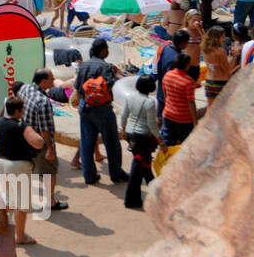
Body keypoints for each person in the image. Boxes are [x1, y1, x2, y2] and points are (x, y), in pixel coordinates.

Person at [75, 39, 128, 185]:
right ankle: (116, 173)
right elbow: (110, 86)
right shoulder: (106, 67)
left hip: (85, 107)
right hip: (103, 109)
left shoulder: (83, 66)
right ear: (103, 51)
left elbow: (78, 89)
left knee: (87, 142)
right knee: (111, 142)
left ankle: (89, 176)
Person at [0, 96, 44, 245]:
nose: (23, 112)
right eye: (22, 109)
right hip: (17, 165)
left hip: (1, 162)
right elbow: (38, 142)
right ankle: (20, 236)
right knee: (21, 204)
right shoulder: (20, 126)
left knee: (9, 198)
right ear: (17, 111)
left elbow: (2, 113)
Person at [22, 69, 65, 211]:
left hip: (26, 137)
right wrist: (51, 149)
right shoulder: (43, 102)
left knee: (31, 168)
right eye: (52, 78)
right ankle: (50, 202)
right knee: (50, 171)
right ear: (43, 81)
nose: (54, 80)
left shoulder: (25, 89)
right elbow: (45, 129)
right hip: (40, 142)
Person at [121, 75, 161, 209]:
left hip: (130, 135)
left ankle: (157, 193)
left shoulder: (130, 97)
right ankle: (132, 200)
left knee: (143, 165)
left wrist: (122, 129)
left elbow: (124, 115)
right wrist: (160, 139)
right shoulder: (149, 103)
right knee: (138, 168)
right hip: (142, 138)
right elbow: (151, 124)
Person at [160, 51, 199, 147]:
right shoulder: (188, 81)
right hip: (184, 119)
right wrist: (195, 121)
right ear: (186, 66)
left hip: (168, 114)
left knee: (168, 143)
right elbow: (191, 103)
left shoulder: (167, 75)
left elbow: (165, 94)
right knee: (185, 144)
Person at [156, 29, 191, 119]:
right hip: (167, 93)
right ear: (182, 44)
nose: (188, 44)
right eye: (187, 42)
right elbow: (171, 80)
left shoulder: (166, 47)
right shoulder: (175, 59)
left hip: (161, 87)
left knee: (160, 114)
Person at [202, 25, 235, 106]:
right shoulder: (221, 51)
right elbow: (227, 70)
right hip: (220, 83)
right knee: (222, 108)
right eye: (222, 37)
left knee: (210, 107)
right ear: (216, 38)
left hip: (209, 81)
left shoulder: (205, 49)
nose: (224, 39)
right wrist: (233, 57)